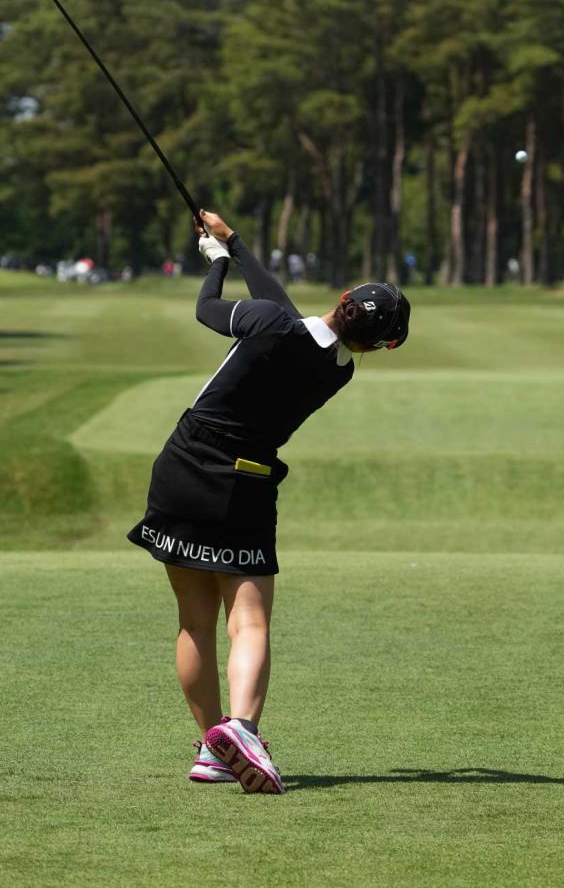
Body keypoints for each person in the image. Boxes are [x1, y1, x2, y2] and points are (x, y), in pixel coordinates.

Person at [126, 210, 410, 794]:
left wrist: (217, 263)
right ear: (374, 346)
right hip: (244, 485)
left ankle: (213, 747)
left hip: (180, 467)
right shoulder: (337, 371)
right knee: (248, 620)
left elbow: (210, 310)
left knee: (194, 623)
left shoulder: (267, 323)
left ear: (344, 297)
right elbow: (285, 314)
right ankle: (243, 730)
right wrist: (232, 242)